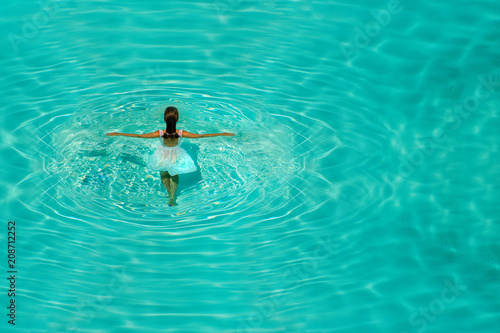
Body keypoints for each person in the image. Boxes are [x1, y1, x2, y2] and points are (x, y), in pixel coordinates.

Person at [106, 106, 234, 205]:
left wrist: (117, 133)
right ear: (177, 119)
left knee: (163, 174)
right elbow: (200, 136)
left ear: (164, 119)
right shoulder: (181, 133)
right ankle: (173, 196)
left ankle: (168, 194)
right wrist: (223, 134)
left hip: (161, 155)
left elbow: (140, 136)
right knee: (174, 174)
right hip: (176, 155)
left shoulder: (160, 133)